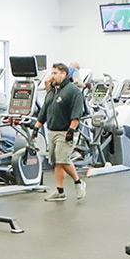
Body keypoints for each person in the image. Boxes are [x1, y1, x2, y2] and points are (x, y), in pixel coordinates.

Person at [37, 62, 88, 201]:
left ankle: (78, 182)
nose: (52, 76)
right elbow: (44, 111)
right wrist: (36, 128)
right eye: (51, 73)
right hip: (52, 131)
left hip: (65, 131)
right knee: (58, 162)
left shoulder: (73, 91)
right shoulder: (52, 91)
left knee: (62, 159)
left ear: (63, 74)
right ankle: (60, 191)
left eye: (54, 73)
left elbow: (77, 113)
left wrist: (71, 130)